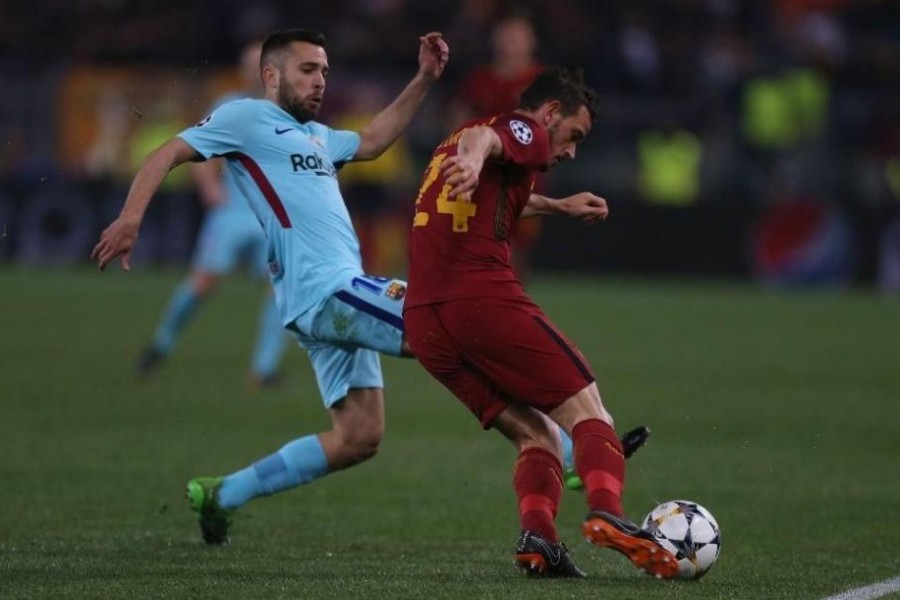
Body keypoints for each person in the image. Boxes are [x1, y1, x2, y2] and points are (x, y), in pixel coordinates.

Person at [92, 28, 450, 545]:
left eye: (325, 71)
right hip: (325, 289)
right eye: (308, 69)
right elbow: (167, 152)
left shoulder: (319, 137)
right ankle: (562, 443)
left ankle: (222, 495)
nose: (321, 80)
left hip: (326, 297)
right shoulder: (245, 117)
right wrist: (130, 217)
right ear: (271, 75)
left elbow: (372, 140)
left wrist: (423, 79)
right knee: (442, 325)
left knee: (359, 437)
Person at [404, 66, 679, 579]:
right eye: (574, 134)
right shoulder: (519, 129)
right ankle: (609, 512)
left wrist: (557, 206)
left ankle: (539, 541)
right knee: (587, 408)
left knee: (538, 436)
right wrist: (472, 153)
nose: (572, 150)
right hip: (479, 300)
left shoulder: (468, 148)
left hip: (425, 323)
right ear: (551, 113)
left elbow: (497, 184)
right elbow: (487, 138)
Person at [135, 41, 290, 388]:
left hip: (270, 217)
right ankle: (161, 344)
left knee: (279, 289)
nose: (257, 70)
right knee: (203, 282)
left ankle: (263, 369)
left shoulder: (288, 111)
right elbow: (199, 150)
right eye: (250, 63)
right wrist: (209, 185)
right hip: (232, 212)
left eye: (262, 62)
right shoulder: (227, 105)